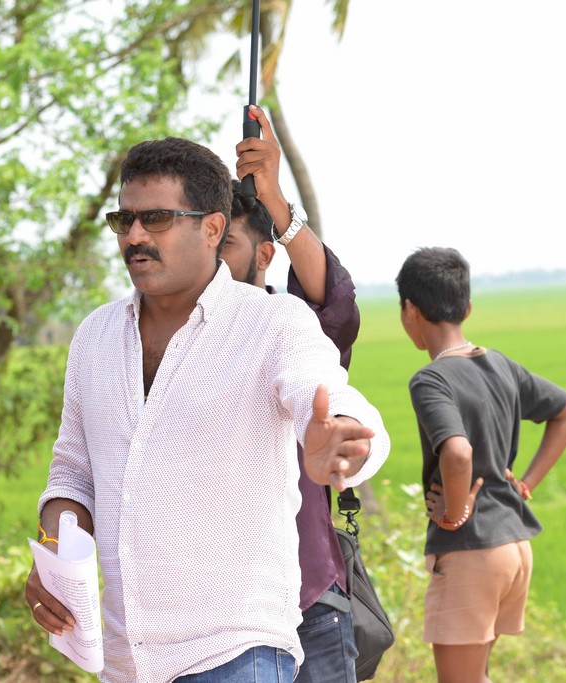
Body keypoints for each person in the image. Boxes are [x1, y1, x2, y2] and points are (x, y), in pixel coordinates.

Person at [24, 136, 390, 683]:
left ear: (213, 228)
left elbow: (329, 396)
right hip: (124, 662)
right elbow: (73, 474)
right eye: (124, 220)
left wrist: (341, 439)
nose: (135, 236)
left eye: (157, 219)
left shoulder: (272, 323)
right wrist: (54, 553)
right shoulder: (94, 336)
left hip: (236, 653)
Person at [396, 247, 566, 683]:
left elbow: (458, 453)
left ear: (410, 310)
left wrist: (455, 513)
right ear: (467, 308)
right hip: (513, 548)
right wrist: (527, 482)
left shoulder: (431, 379)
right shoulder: (499, 364)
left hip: (472, 552)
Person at [225, 105, 367, 683]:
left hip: (309, 598)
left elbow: (332, 301)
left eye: (225, 243)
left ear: (263, 255)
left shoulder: (292, 330)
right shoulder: (165, 343)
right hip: (221, 621)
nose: (211, 259)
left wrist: (277, 204)